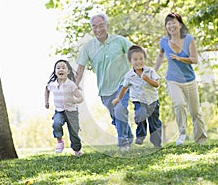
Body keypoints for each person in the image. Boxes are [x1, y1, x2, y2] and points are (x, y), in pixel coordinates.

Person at [75, 13, 134, 151]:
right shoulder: (88, 47)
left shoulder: (120, 41)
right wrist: (75, 86)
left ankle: (123, 144)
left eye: (101, 25)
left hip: (122, 84)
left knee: (120, 109)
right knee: (116, 117)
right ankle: (128, 135)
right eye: (94, 26)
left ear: (107, 26)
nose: (98, 29)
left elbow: (135, 53)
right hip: (104, 90)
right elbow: (80, 68)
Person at [155, 12, 207, 145]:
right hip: (173, 80)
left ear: (180, 24)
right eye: (168, 23)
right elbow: (160, 56)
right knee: (179, 104)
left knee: (195, 111)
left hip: (189, 80)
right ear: (166, 26)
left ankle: (200, 139)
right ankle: (182, 135)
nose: (171, 25)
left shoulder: (189, 39)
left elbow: (194, 60)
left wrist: (180, 58)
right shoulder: (164, 42)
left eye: (174, 22)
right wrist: (154, 71)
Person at [112, 45, 162, 148]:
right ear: (130, 61)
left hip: (152, 101)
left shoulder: (150, 71)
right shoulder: (129, 75)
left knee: (154, 123)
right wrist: (118, 98)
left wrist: (148, 79)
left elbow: (157, 85)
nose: (138, 62)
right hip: (139, 101)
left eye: (141, 59)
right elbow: (124, 88)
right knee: (140, 114)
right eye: (135, 59)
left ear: (144, 59)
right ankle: (140, 135)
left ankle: (157, 143)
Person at [44, 59, 84, 157]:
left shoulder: (71, 85)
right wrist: (46, 101)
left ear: (68, 71)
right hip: (59, 111)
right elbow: (46, 89)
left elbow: (80, 98)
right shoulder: (53, 84)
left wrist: (74, 101)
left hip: (72, 111)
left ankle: (77, 149)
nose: (60, 69)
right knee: (56, 124)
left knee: (74, 133)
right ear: (55, 71)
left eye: (63, 68)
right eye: (58, 68)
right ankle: (60, 142)